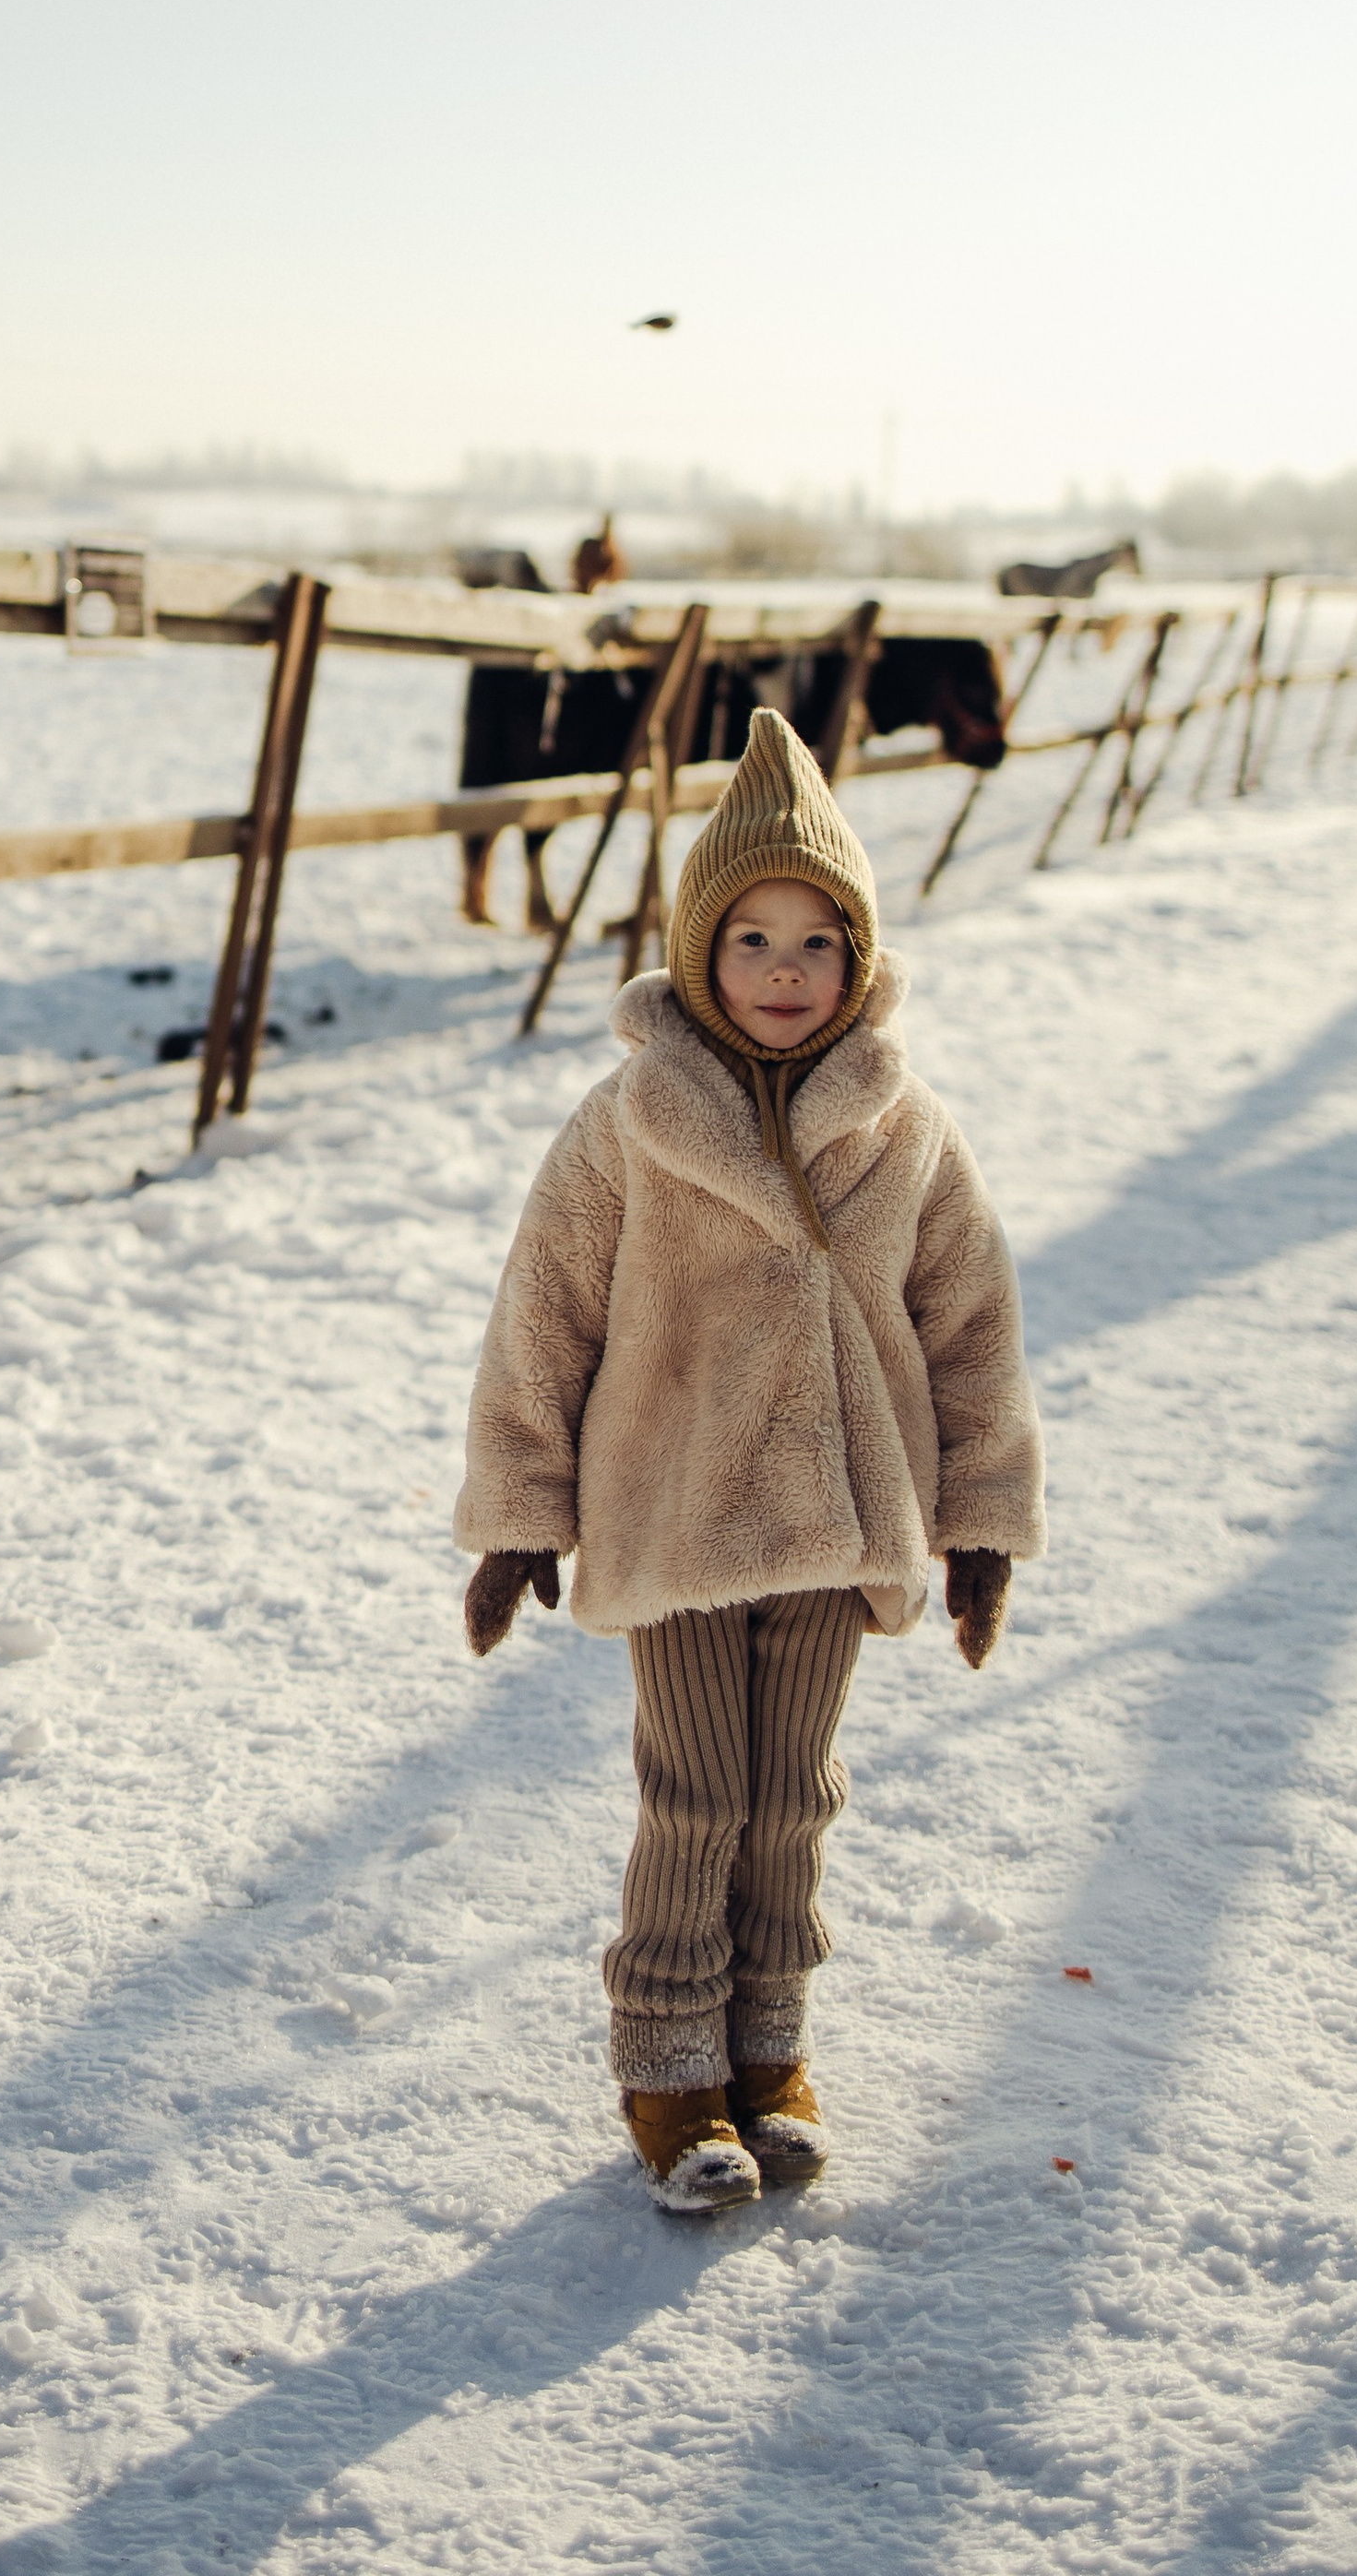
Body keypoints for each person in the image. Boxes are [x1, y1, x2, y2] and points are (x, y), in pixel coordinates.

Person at [454, 709, 1045, 2214]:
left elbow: (968, 1322)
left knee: (794, 1799)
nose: (787, 974)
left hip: (846, 1526)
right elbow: (547, 1313)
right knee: (698, 1793)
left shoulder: (905, 1127)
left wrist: (976, 1522)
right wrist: (521, 1513)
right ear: (699, 956)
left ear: (860, 964)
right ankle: (669, 2066)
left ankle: (770, 2047)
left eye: (819, 946)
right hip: (676, 1522)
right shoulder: (630, 1124)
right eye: (754, 942)